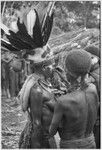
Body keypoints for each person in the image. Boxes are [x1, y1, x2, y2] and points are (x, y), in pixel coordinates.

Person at [49, 49, 99, 148]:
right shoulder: (93, 89)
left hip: (71, 146)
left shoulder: (63, 101)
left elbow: (51, 131)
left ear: (68, 72)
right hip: (91, 142)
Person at [84, 45, 100, 148]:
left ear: (97, 59)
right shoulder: (90, 74)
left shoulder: (96, 77)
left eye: (91, 58)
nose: (88, 61)